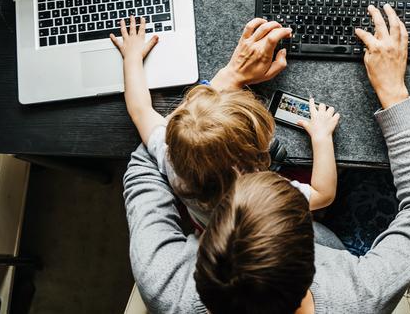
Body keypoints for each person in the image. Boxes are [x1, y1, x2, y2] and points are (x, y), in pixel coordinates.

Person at [122, 4, 410, 313]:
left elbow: (144, 165)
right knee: (376, 182)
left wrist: (224, 83)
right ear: (310, 262)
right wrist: (393, 91)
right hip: (341, 248)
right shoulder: (360, 296)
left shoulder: (163, 285)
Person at [110, 17, 341, 227]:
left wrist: (131, 58)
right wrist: (322, 137)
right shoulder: (264, 195)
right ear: (258, 157)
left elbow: (140, 110)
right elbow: (323, 194)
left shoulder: (171, 157)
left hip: (209, 224)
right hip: (258, 224)